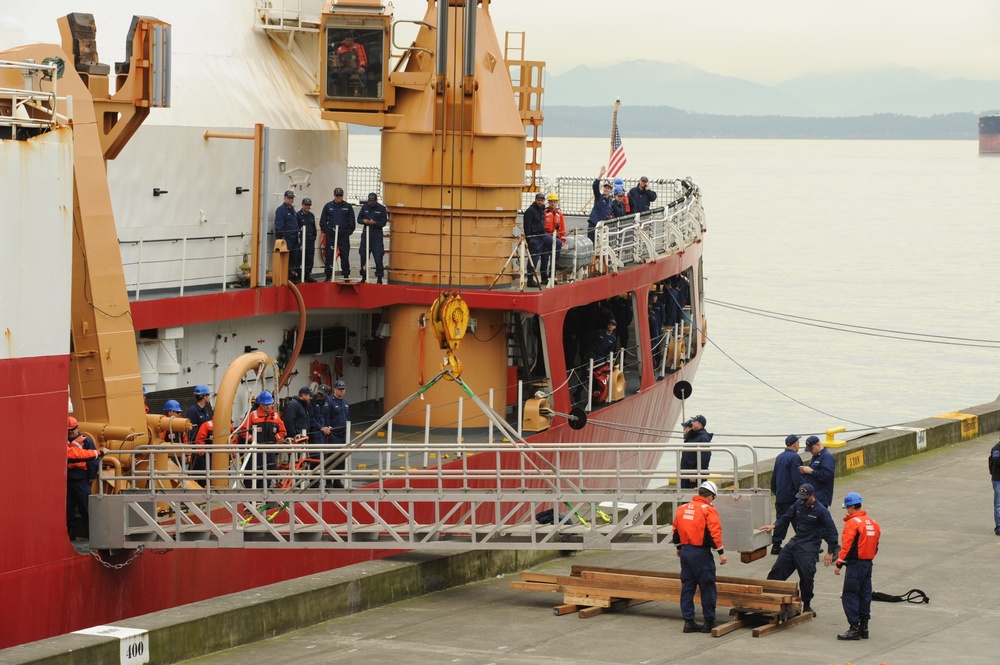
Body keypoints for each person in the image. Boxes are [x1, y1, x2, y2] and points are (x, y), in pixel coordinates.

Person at [759, 483, 839, 616]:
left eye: (805, 498)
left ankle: (807, 605)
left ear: (812, 495)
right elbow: (786, 517)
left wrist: (830, 552)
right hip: (795, 543)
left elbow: (832, 532)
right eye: (801, 498)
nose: (803, 501)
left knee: (807, 577)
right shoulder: (798, 504)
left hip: (809, 547)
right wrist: (774, 525)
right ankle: (770, 600)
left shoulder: (821, 511)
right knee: (777, 570)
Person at [672, 480, 727, 633]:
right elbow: (714, 533)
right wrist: (721, 553)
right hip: (700, 553)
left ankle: (688, 622)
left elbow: (675, 530)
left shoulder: (682, 508)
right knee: (707, 586)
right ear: (710, 496)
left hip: (686, 552)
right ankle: (709, 621)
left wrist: (679, 548)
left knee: (688, 586)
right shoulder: (708, 510)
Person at [834, 491, 881, 640]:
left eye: (847, 508)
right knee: (865, 594)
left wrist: (839, 563)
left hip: (855, 565)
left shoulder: (852, 523)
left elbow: (847, 546)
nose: (847, 511)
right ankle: (864, 627)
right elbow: (876, 545)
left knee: (850, 595)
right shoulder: (873, 522)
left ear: (851, 507)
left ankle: (854, 627)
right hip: (868, 564)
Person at [67, 417, 110, 539]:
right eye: (68, 430)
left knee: (85, 507)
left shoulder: (86, 441)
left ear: (77, 428)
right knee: (68, 507)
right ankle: (70, 533)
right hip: (67, 479)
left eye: (72, 429)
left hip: (81, 478)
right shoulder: (62, 441)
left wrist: (91, 476)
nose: (70, 432)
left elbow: (93, 460)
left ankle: (91, 534)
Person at [238, 390, 287, 488]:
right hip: (256, 450)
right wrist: (253, 439)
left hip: (270, 449)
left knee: (268, 473)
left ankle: (265, 494)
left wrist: (275, 438)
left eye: (270, 404)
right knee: (251, 472)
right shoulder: (253, 415)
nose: (268, 407)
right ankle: (250, 496)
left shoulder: (276, 417)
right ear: (260, 404)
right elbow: (242, 430)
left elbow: (283, 431)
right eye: (265, 404)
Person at [769, 434, 805, 554]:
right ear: (795, 444)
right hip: (792, 496)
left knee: (781, 521)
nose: (799, 445)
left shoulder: (779, 457)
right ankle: (805, 543)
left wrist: (777, 492)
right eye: (798, 443)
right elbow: (797, 478)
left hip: (780, 496)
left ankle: (776, 545)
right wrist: (801, 494)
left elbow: (773, 478)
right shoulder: (795, 458)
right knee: (799, 521)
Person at [319, 187, 356, 282]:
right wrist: (328, 231)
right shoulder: (328, 206)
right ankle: (328, 275)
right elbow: (322, 222)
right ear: (334, 195)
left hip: (343, 235)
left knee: (345, 255)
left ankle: (346, 275)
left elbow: (352, 222)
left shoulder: (348, 207)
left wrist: (348, 232)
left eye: (340, 195)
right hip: (331, 234)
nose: (339, 197)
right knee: (330, 255)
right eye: (337, 195)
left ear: (342, 195)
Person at [358, 192, 388, 283]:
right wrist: (364, 221)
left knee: (378, 257)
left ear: (376, 200)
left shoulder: (382, 209)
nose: (371, 204)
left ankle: (379, 278)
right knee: (363, 256)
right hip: (366, 234)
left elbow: (383, 222)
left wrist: (375, 223)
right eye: (370, 202)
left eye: (373, 202)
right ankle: (363, 276)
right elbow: (359, 219)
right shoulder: (365, 207)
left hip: (376, 235)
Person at [523, 192, 552, 286]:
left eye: (541, 200)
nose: (540, 202)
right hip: (534, 238)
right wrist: (529, 239)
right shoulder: (530, 211)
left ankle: (546, 275)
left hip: (542, 236)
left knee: (556, 244)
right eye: (538, 200)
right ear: (535, 200)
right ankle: (530, 279)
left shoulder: (542, 210)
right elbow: (526, 226)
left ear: (544, 201)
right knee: (534, 258)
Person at [799, 435, 835, 507]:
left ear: (817, 445)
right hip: (813, 496)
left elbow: (825, 475)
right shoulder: (815, 456)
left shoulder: (826, 457)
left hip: (821, 497)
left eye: (811, 449)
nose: (810, 452)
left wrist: (810, 471)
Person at [327, 380, 350, 487]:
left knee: (341, 458)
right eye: (340, 389)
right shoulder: (330, 402)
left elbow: (347, 417)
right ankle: (328, 481)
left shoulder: (345, 402)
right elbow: (327, 417)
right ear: (334, 390)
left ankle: (337, 480)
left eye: (343, 389)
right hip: (333, 434)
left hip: (343, 434)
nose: (342, 391)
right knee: (332, 458)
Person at [274, 190, 301, 283]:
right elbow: (279, 225)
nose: (291, 200)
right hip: (287, 239)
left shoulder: (292, 209)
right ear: (285, 198)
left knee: (293, 259)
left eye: (292, 198)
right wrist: (283, 238)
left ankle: (291, 277)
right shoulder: (281, 210)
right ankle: (285, 278)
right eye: (289, 198)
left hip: (294, 239)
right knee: (286, 259)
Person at [680, 414, 712, 488]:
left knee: (693, 497)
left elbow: (705, 458)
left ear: (700, 425)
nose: (692, 423)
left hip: (694, 477)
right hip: (687, 474)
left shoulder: (703, 438)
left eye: (694, 421)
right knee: (685, 497)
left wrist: (696, 472)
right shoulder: (693, 436)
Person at [587, 166, 613, 243]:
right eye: (605, 187)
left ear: (610, 190)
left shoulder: (610, 201)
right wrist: (600, 175)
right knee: (591, 243)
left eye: (608, 188)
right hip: (594, 224)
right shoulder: (599, 197)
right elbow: (595, 187)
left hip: (603, 226)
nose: (606, 189)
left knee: (601, 245)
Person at [297, 198, 318, 282]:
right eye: (306, 205)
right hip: (301, 241)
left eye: (309, 205)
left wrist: (314, 237)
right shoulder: (298, 215)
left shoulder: (311, 215)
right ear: (302, 205)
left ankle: (307, 275)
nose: (307, 206)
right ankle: (299, 276)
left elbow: (314, 228)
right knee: (300, 258)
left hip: (310, 240)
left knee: (309, 258)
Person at [990, 437, 1000, 535]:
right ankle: (999, 527)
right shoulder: (997, 448)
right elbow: (996, 462)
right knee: (998, 504)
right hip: (998, 479)